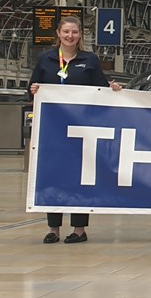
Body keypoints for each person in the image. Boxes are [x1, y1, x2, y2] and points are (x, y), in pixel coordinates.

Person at [29, 15, 123, 244]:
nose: (70, 36)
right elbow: (32, 88)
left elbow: (101, 89)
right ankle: (54, 228)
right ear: (58, 34)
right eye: (66, 32)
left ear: (80, 35)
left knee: (81, 176)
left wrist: (114, 89)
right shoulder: (46, 59)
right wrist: (33, 89)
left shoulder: (89, 60)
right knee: (53, 175)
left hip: (83, 130)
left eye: (74, 32)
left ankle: (79, 229)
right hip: (54, 131)